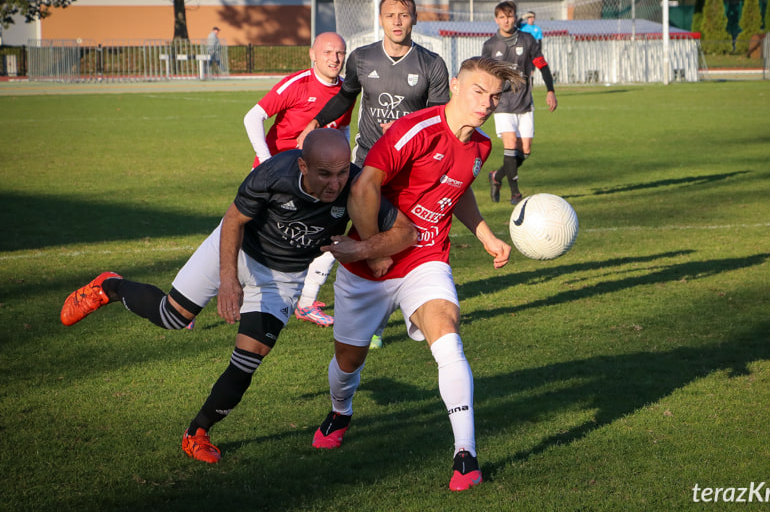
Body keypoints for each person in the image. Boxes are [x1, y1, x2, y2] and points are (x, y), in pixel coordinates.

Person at [59, 129, 417, 464]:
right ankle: (109, 287)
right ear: (303, 165)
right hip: (235, 249)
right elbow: (233, 221)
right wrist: (229, 280)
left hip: (282, 277)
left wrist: (364, 247)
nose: (335, 183)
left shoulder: (355, 186)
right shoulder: (273, 174)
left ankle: (197, 432)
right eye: (325, 174)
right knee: (172, 317)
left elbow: (407, 233)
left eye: (341, 172)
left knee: (248, 359)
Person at [310, 57, 524, 492]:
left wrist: (485, 235)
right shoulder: (416, 130)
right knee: (348, 363)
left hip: (428, 258)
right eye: (479, 91)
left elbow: (457, 190)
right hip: (369, 263)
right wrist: (373, 251)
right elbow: (363, 187)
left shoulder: (481, 147)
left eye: (494, 96)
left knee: (447, 335)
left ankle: (465, 455)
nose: (487, 102)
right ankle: (341, 410)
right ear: (458, 87)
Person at [299, 0, 451, 349]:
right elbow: (345, 95)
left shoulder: (432, 64)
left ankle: (377, 321)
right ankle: (307, 298)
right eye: (390, 15)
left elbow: (438, 118)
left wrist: (405, 128)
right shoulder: (362, 58)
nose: (397, 21)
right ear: (380, 20)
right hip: (367, 163)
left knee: (399, 238)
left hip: (412, 168)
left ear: (415, 18)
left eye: (404, 14)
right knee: (349, 230)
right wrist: (316, 121)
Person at [243, 32, 352, 328]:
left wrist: (345, 164)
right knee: (240, 237)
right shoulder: (298, 84)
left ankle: (306, 303)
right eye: (328, 52)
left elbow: (340, 131)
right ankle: (192, 301)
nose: (335, 58)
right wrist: (266, 162)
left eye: (340, 53)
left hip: (314, 180)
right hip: (277, 177)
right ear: (313, 55)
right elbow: (252, 117)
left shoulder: (345, 92)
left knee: (329, 237)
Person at [482, 1, 557, 205]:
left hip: (524, 101)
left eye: (510, 16)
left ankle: (496, 177)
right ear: (496, 19)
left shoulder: (528, 39)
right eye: (502, 17)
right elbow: (484, 75)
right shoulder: (490, 45)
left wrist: (551, 90)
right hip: (503, 103)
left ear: (515, 17)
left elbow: (542, 65)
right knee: (510, 146)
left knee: (525, 151)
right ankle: (515, 193)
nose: (507, 20)